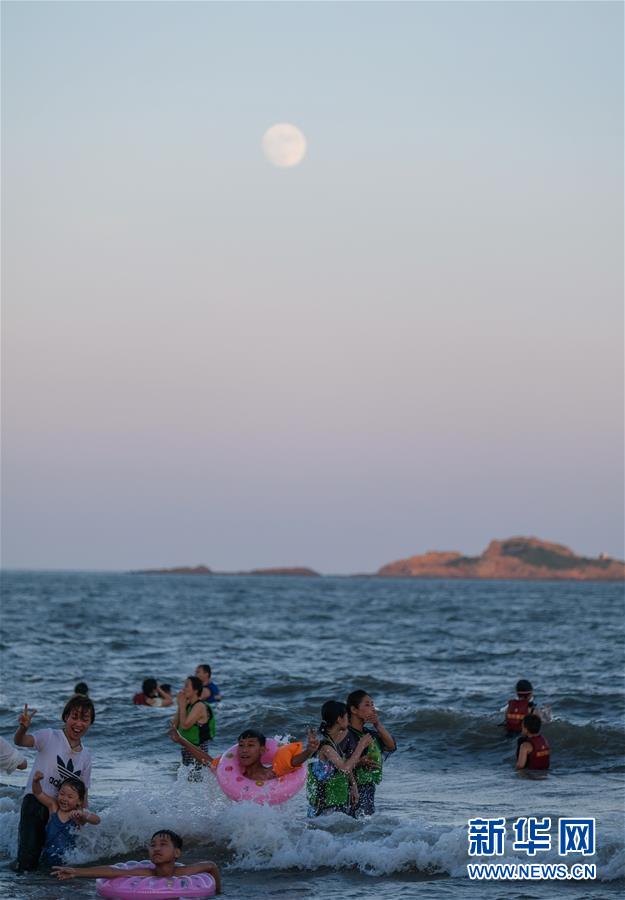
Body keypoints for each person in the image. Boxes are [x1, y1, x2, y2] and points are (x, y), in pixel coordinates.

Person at [13, 696, 95, 871]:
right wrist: (23, 728)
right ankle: (21, 888)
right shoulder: (49, 736)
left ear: (90, 723)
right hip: (35, 802)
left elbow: (84, 791)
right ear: (66, 717)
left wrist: (82, 818)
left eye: (84, 719)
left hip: (63, 811)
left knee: (54, 861)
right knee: (28, 858)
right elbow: (20, 741)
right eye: (74, 716)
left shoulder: (86, 755)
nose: (78, 723)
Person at [52, 829, 221, 894]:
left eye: (163, 844)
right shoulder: (147, 873)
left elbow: (211, 866)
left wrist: (218, 893)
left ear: (177, 852)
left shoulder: (185, 872)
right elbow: (114, 872)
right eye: (152, 845)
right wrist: (75, 871)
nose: (156, 848)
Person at [169, 726, 318, 780]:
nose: (244, 750)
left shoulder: (271, 774)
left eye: (250, 745)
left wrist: (308, 751)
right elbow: (208, 761)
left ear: (262, 751)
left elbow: (293, 762)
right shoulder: (233, 775)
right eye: (241, 745)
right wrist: (181, 740)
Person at [306, 700, 373, 818]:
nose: (349, 719)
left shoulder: (332, 742)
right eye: (347, 716)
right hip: (323, 812)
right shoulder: (325, 746)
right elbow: (345, 768)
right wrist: (361, 745)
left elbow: (344, 763)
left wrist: (354, 786)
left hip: (332, 806)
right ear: (339, 719)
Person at [339, 689, 396, 816]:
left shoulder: (370, 734)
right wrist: (359, 762)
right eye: (367, 705)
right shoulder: (344, 735)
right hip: (349, 790)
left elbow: (390, 746)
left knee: (365, 826)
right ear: (354, 710)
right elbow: (337, 765)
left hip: (368, 788)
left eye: (372, 704)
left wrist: (377, 724)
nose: (373, 709)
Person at [32, 770, 100, 866]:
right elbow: (38, 793)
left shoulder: (79, 816)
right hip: (47, 857)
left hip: (68, 862)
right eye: (62, 794)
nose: (64, 798)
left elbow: (97, 820)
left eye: (70, 796)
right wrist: (35, 781)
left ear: (79, 801)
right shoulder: (54, 808)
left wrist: (84, 815)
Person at [172, 676, 215, 773]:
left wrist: (182, 706)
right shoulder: (187, 706)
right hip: (186, 750)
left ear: (195, 690)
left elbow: (185, 726)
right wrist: (180, 706)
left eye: (187, 686)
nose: (183, 689)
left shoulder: (199, 706)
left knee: (196, 779)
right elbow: (174, 727)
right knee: (187, 782)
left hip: (198, 751)